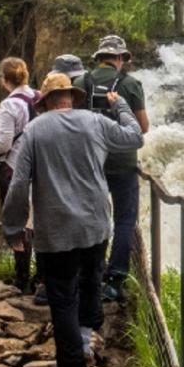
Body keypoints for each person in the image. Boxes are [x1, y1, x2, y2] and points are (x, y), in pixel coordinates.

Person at [1, 71, 143, 367]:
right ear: (71, 98)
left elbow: (20, 183)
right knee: (91, 282)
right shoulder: (95, 122)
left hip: (55, 230)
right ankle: (85, 343)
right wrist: (120, 104)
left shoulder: (35, 130)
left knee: (62, 299)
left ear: (46, 102)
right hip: (95, 225)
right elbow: (135, 137)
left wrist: (12, 227)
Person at [78, 35, 149, 302]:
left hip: (88, 161)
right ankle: (114, 279)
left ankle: (89, 272)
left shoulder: (80, 83)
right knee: (124, 220)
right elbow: (142, 126)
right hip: (122, 162)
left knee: (89, 215)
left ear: (99, 58)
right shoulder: (130, 85)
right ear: (119, 59)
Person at [0, 57, 37, 291]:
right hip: (39, 166)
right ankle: (42, 275)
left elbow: (4, 143)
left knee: (17, 221)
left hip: (15, 167)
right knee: (36, 219)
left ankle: (22, 278)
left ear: (4, 80)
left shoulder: (8, 106)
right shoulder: (39, 97)